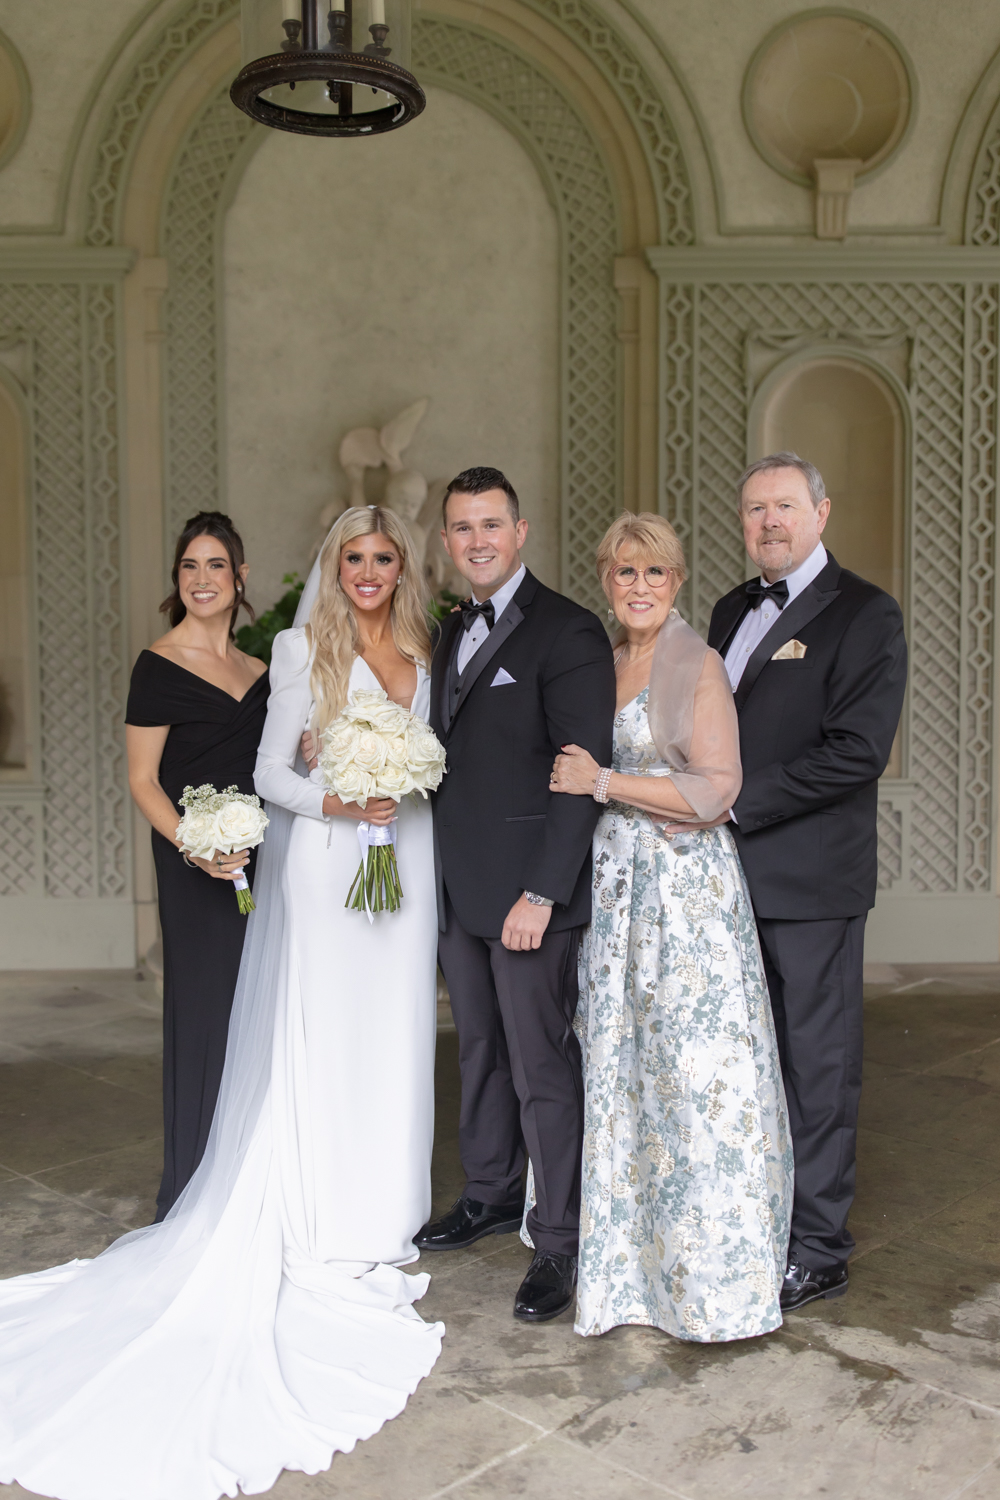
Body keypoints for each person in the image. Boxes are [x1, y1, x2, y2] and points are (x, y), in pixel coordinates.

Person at [0, 505, 443, 1500]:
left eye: (382, 557)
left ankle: (363, 1196)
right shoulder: (272, 651)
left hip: (367, 872)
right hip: (276, 866)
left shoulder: (335, 655)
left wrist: (384, 784)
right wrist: (316, 804)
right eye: (351, 557)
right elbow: (205, 776)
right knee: (264, 1033)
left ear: (241, 574)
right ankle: (225, 1190)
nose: (366, 571)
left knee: (368, 1038)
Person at [548, 511, 792, 1342]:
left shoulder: (699, 663)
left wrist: (606, 782)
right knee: (622, 1067)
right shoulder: (608, 661)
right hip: (616, 890)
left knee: (692, 1075)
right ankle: (627, 1275)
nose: (640, 587)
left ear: (677, 581)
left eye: (655, 573)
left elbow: (718, 788)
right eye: (624, 573)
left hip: (684, 897)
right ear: (606, 583)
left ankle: (708, 1278)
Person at [704, 452, 907, 1312]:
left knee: (817, 1064)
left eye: (785, 506)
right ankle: (753, 1219)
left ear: (821, 513)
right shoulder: (726, 609)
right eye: (755, 510)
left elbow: (857, 752)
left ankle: (818, 1244)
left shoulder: (866, 614)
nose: (769, 523)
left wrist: (730, 803)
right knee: (742, 1060)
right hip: (720, 878)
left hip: (812, 881)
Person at [414, 466, 616, 1324]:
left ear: (521, 530)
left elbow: (577, 776)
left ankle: (561, 1235)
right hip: (460, 889)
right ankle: (492, 1191)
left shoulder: (568, 631)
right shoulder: (449, 627)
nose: (477, 541)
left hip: (531, 895)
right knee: (480, 1053)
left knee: (542, 1065)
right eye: (462, 528)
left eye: (491, 524)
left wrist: (544, 891)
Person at [126, 510, 269, 1220]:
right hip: (194, 870)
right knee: (206, 1012)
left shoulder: (262, 672)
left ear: (240, 577)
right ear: (177, 580)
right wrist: (197, 846)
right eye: (190, 566)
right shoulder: (158, 666)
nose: (202, 579)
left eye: (216, 565)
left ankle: (253, 1181)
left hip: (259, 866)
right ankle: (190, 1191)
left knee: (261, 1013)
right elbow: (143, 781)